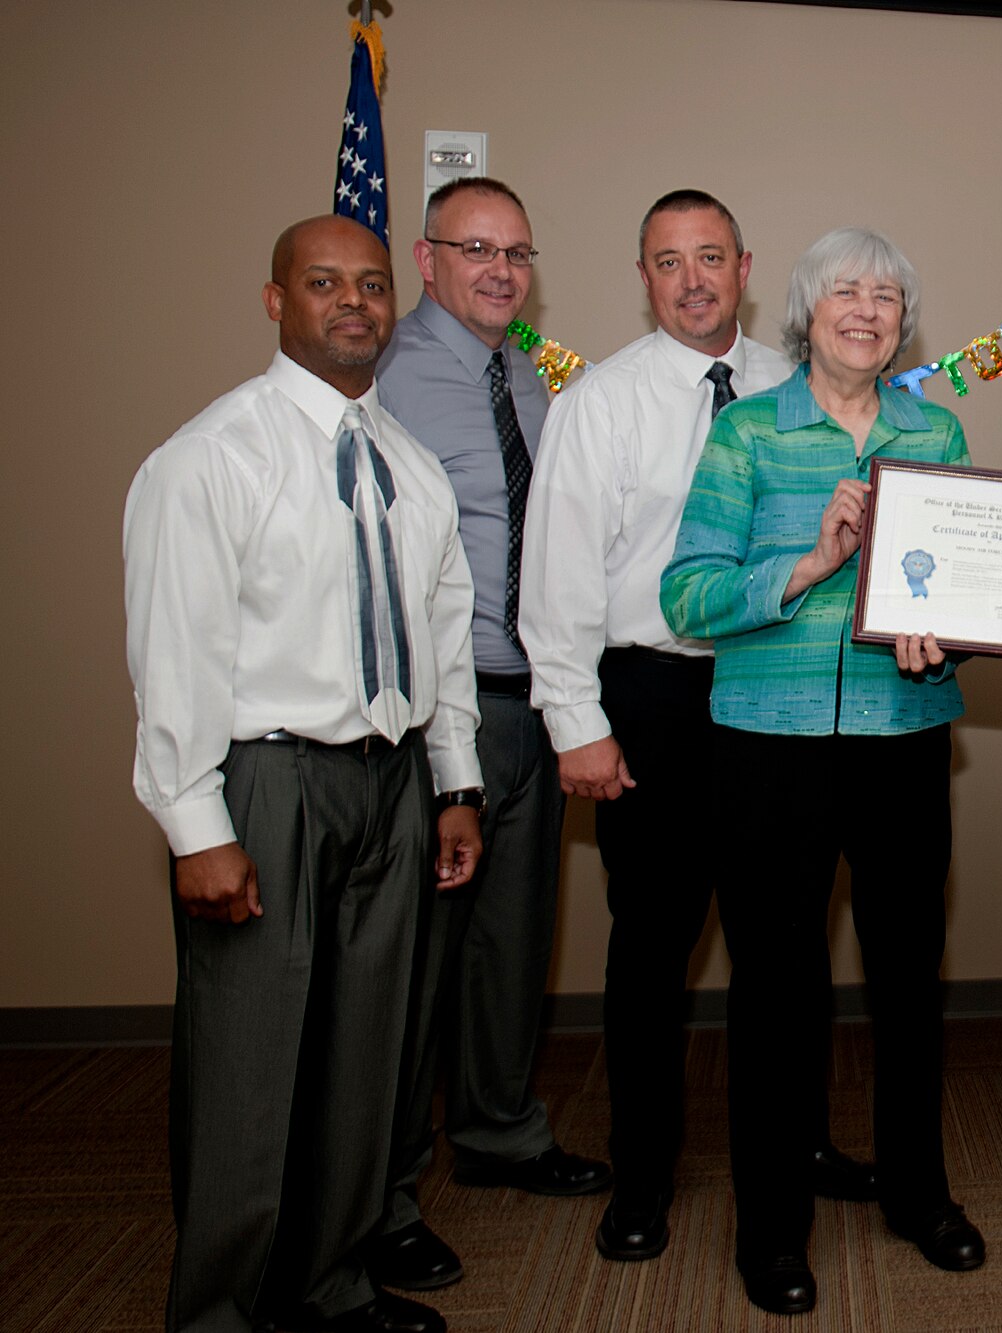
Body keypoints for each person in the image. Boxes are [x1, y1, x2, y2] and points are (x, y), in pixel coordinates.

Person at [124, 214, 484, 1333]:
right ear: (274, 299)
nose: (353, 303)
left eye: (371, 284)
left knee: (362, 1058)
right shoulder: (210, 458)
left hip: (390, 785)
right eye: (323, 282)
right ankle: (221, 1311)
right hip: (263, 784)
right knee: (248, 1065)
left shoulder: (412, 469)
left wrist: (455, 780)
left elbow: (445, 634)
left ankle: (328, 1287)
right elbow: (174, 647)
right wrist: (196, 824)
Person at [518, 190, 874, 1268]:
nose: (691, 279)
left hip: (777, 691)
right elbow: (558, 577)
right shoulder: (601, 402)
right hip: (657, 701)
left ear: (745, 266)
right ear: (643, 275)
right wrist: (577, 723)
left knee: (787, 947)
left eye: (709, 257)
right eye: (668, 262)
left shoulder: (796, 387)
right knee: (652, 950)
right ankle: (643, 1174)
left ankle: (796, 1141)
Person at [662, 225, 984, 1316]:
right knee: (776, 996)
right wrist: (807, 564)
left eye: (887, 295)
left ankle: (916, 1193)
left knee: (907, 982)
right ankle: (771, 1231)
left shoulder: (932, 431)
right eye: (845, 290)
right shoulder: (748, 434)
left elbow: (964, 590)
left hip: (903, 744)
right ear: (804, 310)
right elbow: (686, 595)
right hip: (768, 754)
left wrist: (949, 630)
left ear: (903, 322)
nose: (867, 308)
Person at [369, 177, 609, 1296]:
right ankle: (381, 1191)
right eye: (477, 249)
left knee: (511, 942)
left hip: (533, 699)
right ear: (427, 259)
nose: (502, 271)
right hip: (427, 712)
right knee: (408, 962)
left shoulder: (535, 375)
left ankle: (501, 1131)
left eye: (517, 251)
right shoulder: (379, 372)